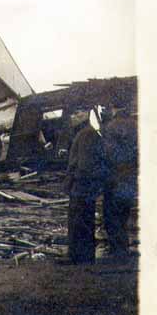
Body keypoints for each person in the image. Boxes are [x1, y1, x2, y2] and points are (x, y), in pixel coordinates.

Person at [65, 107, 108, 264]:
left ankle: (79, 257)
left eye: (75, 113)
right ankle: (80, 256)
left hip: (82, 186)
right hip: (84, 185)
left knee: (79, 221)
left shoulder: (86, 134)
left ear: (83, 115)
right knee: (82, 220)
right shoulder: (86, 133)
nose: (72, 116)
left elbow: (84, 164)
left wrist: (75, 182)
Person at [102, 106, 138, 258]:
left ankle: (117, 251)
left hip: (114, 178)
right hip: (129, 178)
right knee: (124, 214)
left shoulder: (111, 126)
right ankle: (123, 248)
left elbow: (109, 154)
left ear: (113, 108)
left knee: (112, 215)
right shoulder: (134, 125)